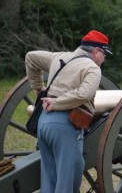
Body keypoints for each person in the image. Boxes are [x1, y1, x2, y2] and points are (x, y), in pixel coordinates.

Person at [25, 30, 112, 193]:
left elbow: (31, 57)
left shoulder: (58, 57)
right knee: (67, 183)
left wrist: (37, 87)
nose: (104, 58)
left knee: (49, 182)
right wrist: (57, 103)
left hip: (43, 124)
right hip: (66, 125)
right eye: (104, 54)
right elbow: (83, 94)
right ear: (96, 51)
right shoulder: (92, 68)